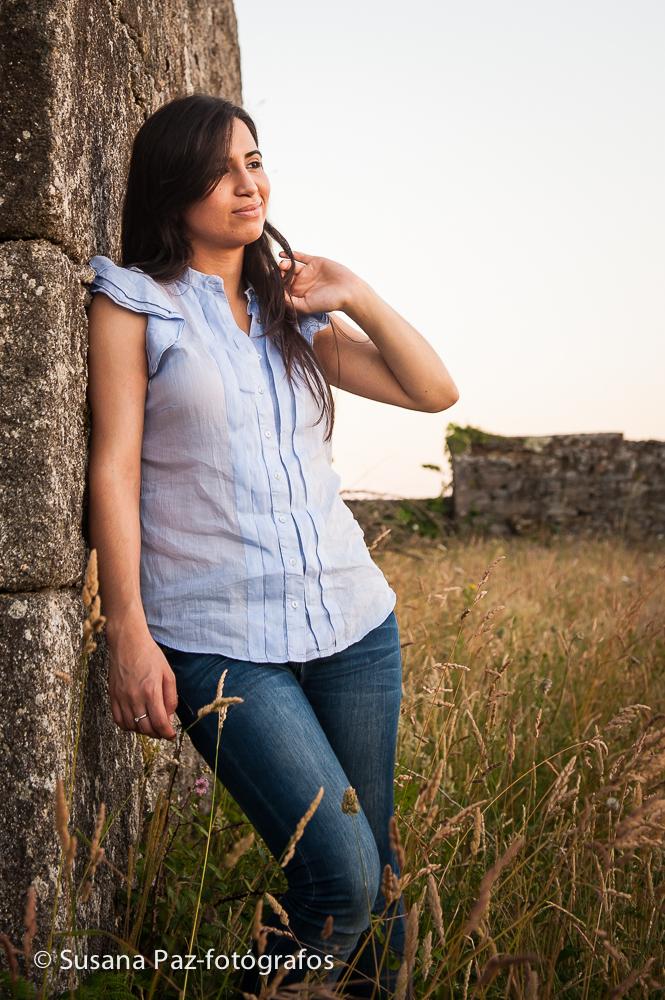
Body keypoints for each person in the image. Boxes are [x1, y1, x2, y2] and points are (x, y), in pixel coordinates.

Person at [86, 93, 459, 997]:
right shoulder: (136, 304)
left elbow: (432, 391)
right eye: (220, 170)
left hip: (353, 621)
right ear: (174, 192)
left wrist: (356, 292)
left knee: (378, 869)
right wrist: (127, 630)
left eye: (254, 162)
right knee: (339, 875)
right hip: (217, 638)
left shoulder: (291, 312)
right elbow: (114, 472)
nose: (246, 185)